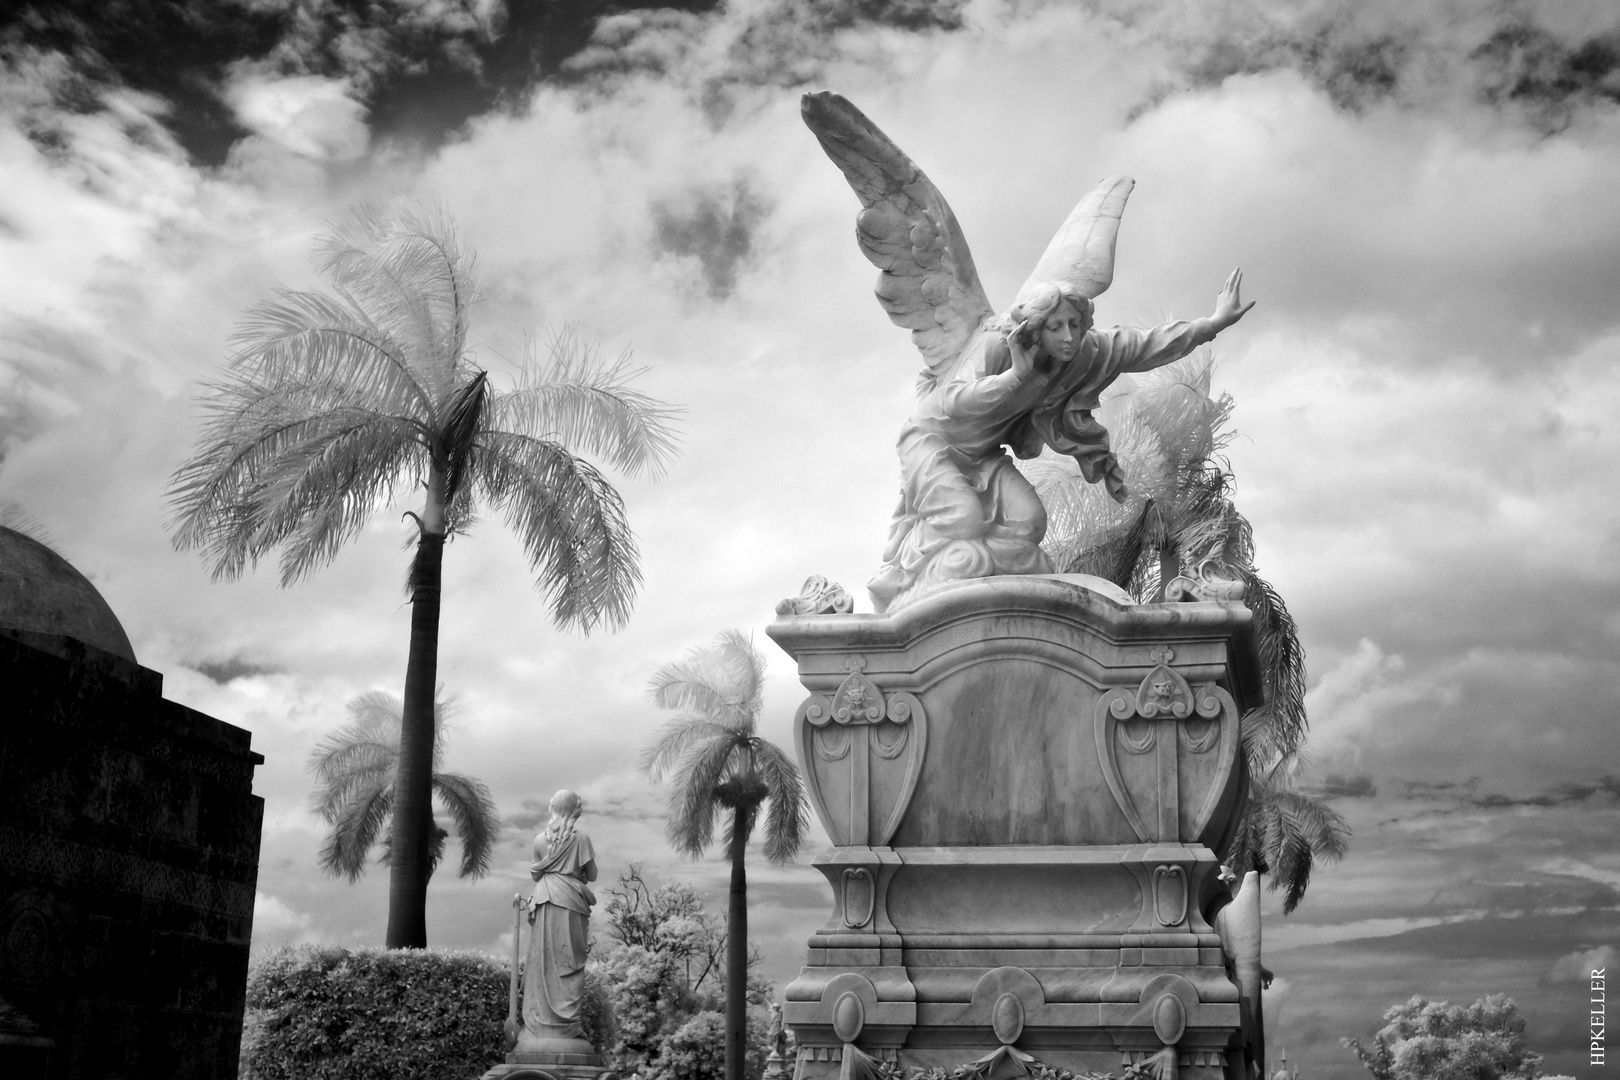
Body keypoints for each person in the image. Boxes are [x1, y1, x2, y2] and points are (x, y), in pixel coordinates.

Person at [868, 270, 1253, 611]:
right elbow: (952, 401)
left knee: (1029, 523)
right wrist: (1015, 375)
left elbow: (1141, 346)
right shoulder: (999, 345)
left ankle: (986, 580)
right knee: (963, 519)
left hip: (983, 455)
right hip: (931, 441)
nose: (1069, 337)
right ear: (1036, 327)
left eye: (1074, 324)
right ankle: (913, 579)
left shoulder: (1082, 352)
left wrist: (1213, 323)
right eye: (1057, 327)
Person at [522, 789, 597, 1041]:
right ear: (575, 809)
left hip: (545, 897)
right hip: (571, 899)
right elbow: (593, 874)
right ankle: (566, 1025)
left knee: (544, 961)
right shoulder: (581, 838)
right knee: (570, 960)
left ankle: (542, 1023)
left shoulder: (538, 839)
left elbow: (536, 873)